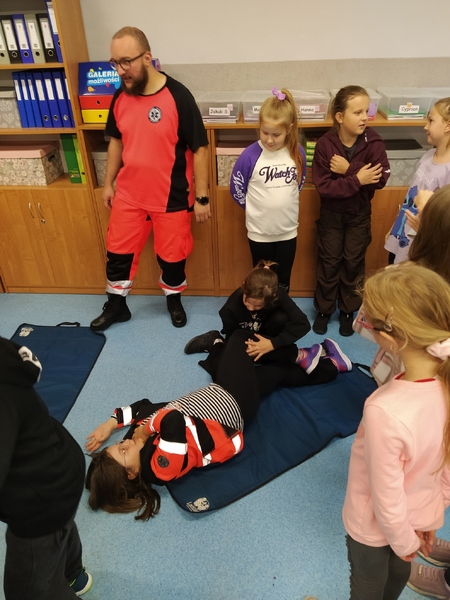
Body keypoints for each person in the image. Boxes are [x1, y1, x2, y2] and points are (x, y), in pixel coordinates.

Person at [85, 327, 347, 520]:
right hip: (234, 402)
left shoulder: (136, 445)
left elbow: (142, 407)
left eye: (117, 445)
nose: (125, 443)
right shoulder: (160, 467)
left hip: (221, 391)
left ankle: (332, 366)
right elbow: (171, 419)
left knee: (276, 374)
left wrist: (111, 423)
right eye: (122, 451)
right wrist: (145, 429)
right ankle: (298, 353)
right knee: (242, 338)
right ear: (132, 473)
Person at [90, 26, 210, 331]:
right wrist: (108, 183)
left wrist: (202, 197)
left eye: (126, 62)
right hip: (129, 195)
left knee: (173, 257)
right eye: (115, 63)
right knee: (118, 253)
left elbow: (200, 148)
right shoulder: (121, 95)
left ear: (147, 57)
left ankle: (173, 300)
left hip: (171, 197)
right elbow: (116, 141)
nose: (120, 70)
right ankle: (117, 306)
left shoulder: (178, 96)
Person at [342, 263, 450, 600]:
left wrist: (403, 541)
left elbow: (385, 495)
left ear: (390, 338)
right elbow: (446, 467)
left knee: (367, 588)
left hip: (372, 529)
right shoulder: (445, 386)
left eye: (366, 321)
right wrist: (431, 515)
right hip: (418, 517)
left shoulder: (383, 410)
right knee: (398, 576)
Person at [0, 336, 91, 599]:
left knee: (27, 590)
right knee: (61, 528)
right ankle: (74, 575)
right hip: (59, 462)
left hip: (39, 498)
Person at [184, 260, 352, 380]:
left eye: (257, 306)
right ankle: (215, 341)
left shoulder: (277, 294)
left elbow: (302, 323)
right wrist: (252, 348)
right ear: (244, 288)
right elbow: (234, 338)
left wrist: (272, 344)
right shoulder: (229, 309)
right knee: (224, 374)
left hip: (269, 337)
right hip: (245, 339)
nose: (251, 308)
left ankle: (308, 355)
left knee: (280, 320)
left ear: (271, 298)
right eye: (248, 302)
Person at [311, 85, 390, 337]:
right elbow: (325, 188)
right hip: (331, 216)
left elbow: (380, 179)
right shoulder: (325, 145)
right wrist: (358, 179)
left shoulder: (373, 142)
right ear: (340, 117)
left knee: (353, 263)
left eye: (366, 111)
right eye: (357, 112)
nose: (364, 117)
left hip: (359, 215)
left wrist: (349, 170)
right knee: (329, 262)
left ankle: (347, 311)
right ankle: (324, 310)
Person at [354, 184, 450, 387]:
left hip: (398, 378)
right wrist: (430, 223)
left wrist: (426, 227)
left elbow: (364, 326)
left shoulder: (401, 283)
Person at [230, 87, 306, 292]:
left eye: (276, 134)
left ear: (289, 129)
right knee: (261, 282)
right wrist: (256, 209)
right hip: (260, 233)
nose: (269, 140)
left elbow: (299, 183)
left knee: (283, 281)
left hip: (287, 232)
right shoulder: (250, 155)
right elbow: (237, 188)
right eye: (265, 133)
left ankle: (280, 310)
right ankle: (261, 311)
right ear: (259, 127)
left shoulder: (297, 153)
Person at [384, 96, 450, 264]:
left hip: (421, 243)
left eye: (431, 121)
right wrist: (395, 228)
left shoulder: (447, 171)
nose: (425, 126)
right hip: (402, 234)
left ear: (448, 126)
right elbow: (410, 197)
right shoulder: (428, 155)